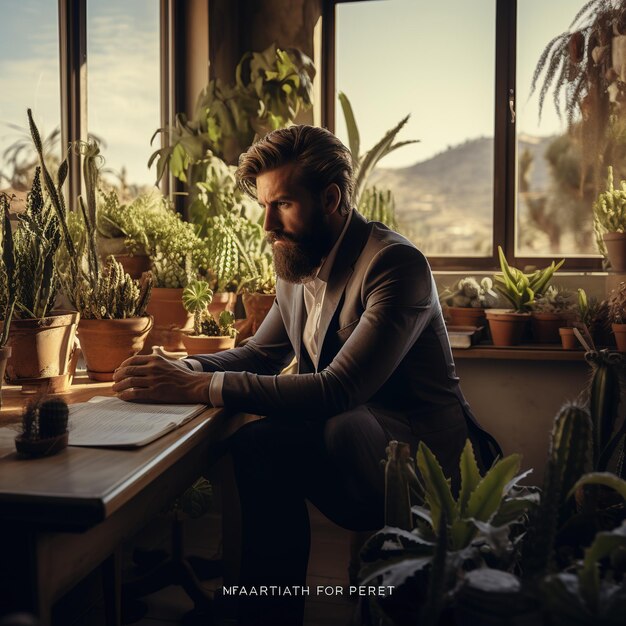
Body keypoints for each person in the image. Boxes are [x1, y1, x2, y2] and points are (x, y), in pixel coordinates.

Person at [112, 125, 500, 625]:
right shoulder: (296, 259)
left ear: (332, 198)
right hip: (354, 444)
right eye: (264, 206)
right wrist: (178, 368)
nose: (268, 224)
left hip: (425, 465)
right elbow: (259, 353)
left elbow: (340, 388)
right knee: (255, 446)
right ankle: (263, 609)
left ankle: (256, 611)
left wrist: (196, 386)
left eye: (284, 205)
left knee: (286, 437)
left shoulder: (395, 265)